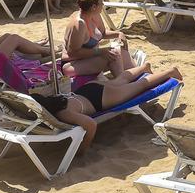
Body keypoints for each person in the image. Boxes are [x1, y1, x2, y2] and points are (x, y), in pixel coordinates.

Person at [31, 64, 181, 153]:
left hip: (100, 99)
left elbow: (91, 124)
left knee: (140, 86)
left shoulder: (64, 113)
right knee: (121, 80)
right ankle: (144, 67)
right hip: (87, 90)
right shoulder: (53, 101)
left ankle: (170, 72)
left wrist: (84, 148)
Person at [61, 0, 139, 79]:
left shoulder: (94, 15)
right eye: (101, 3)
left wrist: (118, 34)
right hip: (72, 64)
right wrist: (99, 51)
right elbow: (73, 53)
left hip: (89, 58)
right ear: (94, 6)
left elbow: (103, 33)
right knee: (113, 54)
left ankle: (138, 75)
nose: (103, 5)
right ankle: (122, 83)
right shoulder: (79, 24)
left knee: (120, 50)